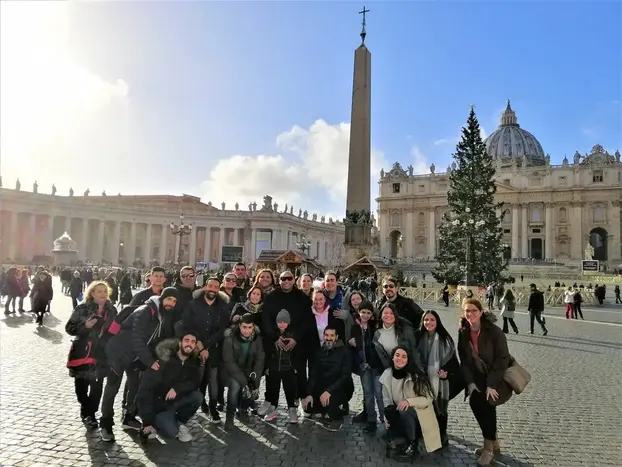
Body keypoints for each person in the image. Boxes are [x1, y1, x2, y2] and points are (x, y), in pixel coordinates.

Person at [99, 287, 179, 442]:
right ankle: (106, 424)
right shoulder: (145, 311)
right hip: (118, 354)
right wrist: (150, 361)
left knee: (135, 387)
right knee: (112, 389)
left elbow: (156, 339)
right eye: (169, 299)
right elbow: (137, 339)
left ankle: (129, 417)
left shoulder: (162, 315)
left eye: (174, 301)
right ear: (162, 298)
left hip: (134, 358)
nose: (171, 303)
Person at [457, 298, 512, 466]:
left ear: (481, 312)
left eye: (474, 310)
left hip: (494, 375)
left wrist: (492, 384)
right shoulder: (463, 331)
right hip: (476, 376)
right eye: (467, 311)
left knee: (488, 407)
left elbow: (502, 359)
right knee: (475, 403)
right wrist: (470, 382)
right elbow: (464, 359)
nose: (470, 314)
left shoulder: (494, 332)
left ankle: (489, 449)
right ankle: (493, 442)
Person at [65, 281, 118, 429]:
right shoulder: (82, 309)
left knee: (96, 389)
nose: (103, 294)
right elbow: (69, 328)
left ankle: (90, 415)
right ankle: (87, 411)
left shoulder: (112, 310)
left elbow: (116, 330)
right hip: (83, 352)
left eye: (105, 291)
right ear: (92, 293)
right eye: (99, 291)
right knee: (81, 389)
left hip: (102, 353)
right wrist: (85, 327)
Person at [179, 276, 231, 423]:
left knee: (213, 379)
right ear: (205, 287)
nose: (213, 289)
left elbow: (222, 329)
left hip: (214, 349)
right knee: (198, 379)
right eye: (210, 286)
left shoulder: (223, 306)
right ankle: (200, 404)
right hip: (195, 348)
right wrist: (200, 346)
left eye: (216, 287)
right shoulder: (193, 304)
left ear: (218, 289)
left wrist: (206, 346)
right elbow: (187, 325)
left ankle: (213, 407)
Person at [137, 333, 203, 442]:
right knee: (172, 433)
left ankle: (180, 422)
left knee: (197, 396)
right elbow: (145, 391)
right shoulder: (163, 361)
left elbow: (194, 382)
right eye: (186, 340)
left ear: (195, 346)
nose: (189, 344)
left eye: (192, 342)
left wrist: (177, 389)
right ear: (180, 343)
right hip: (160, 406)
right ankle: (154, 425)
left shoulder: (193, 362)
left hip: (177, 401)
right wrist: (147, 420)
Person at [380, 346, 442, 460]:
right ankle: (402, 440)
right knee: (389, 411)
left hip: (420, 415)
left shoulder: (416, 376)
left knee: (405, 410)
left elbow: (428, 398)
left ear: (408, 360)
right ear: (392, 358)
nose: (400, 359)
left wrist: (409, 402)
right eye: (397, 355)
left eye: (404, 357)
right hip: (400, 411)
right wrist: (386, 420)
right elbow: (386, 401)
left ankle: (413, 446)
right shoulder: (386, 375)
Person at [414, 310, 463, 447]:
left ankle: (442, 434)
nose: (428, 322)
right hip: (422, 379)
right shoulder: (417, 336)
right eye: (426, 320)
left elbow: (453, 362)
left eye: (432, 320)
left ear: (437, 322)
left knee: (440, 408)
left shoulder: (445, 339)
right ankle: (423, 431)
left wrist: (446, 372)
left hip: (440, 381)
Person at [301, 325, 354, 431]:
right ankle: (322, 408)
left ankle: (342, 407)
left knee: (331, 410)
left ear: (336, 337)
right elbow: (314, 374)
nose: (329, 338)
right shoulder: (319, 352)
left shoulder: (345, 352)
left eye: (332, 335)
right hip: (323, 387)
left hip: (339, 388)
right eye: (326, 335)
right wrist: (309, 394)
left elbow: (345, 376)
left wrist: (329, 391)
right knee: (308, 407)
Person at [221, 313, 265, 430]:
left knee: (251, 386)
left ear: (253, 327)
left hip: (248, 371)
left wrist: (255, 382)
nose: (247, 330)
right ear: (239, 326)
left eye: (250, 327)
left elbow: (260, 360)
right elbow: (229, 361)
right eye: (244, 327)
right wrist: (245, 382)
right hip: (230, 372)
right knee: (235, 386)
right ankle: (229, 418)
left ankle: (243, 409)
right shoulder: (230, 337)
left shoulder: (257, 339)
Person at [349, 300, 384, 433]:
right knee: (368, 393)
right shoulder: (355, 327)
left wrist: (372, 361)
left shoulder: (375, 327)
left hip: (375, 365)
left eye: (368, 313)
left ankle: (385, 420)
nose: (365, 315)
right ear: (359, 312)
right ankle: (371, 420)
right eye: (363, 312)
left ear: (372, 314)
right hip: (363, 366)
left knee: (379, 394)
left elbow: (377, 348)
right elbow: (355, 349)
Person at [264, 309, 299, 423]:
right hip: (274, 367)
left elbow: (297, 353)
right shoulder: (272, 335)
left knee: (290, 390)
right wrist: (267, 366)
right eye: (279, 322)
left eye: (284, 322)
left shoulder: (293, 335)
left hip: (288, 367)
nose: (282, 324)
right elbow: (268, 352)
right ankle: (273, 409)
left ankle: (292, 410)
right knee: (273, 389)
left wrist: (295, 366)